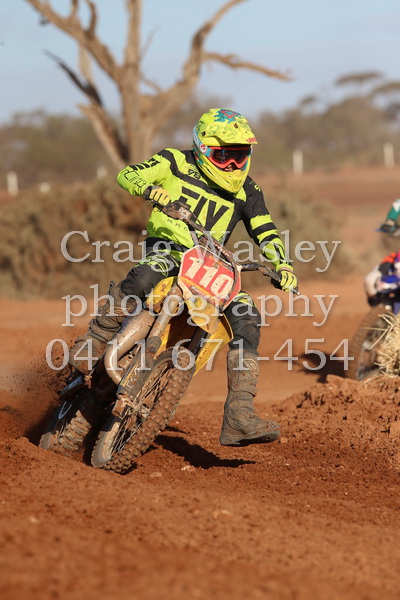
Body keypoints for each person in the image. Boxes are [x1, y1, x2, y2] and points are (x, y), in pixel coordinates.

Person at [69, 108, 298, 446]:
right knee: (145, 276)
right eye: (224, 156)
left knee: (248, 318)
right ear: (203, 149)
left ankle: (239, 413)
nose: (233, 165)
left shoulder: (248, 190)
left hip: (210, 264)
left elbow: (266, 231)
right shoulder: (174, 161)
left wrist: (283, 265)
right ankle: (95, 340)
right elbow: (127, 175)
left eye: (240, 155)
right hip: (170, 250)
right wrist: (150, 189)